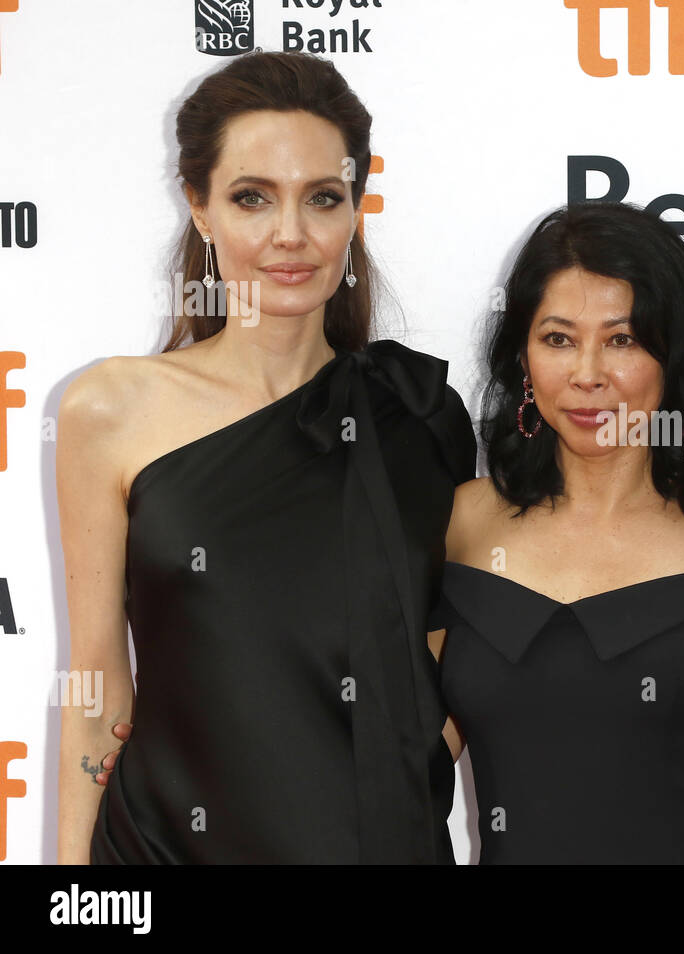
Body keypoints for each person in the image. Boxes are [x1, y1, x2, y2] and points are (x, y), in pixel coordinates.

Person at [57, 51, 475, 863]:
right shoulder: (110, 410)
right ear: (200, 209)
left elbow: (442, 664)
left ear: (355, 209)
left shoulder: (417, 417)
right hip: (162, 854)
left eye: (323, 198)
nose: (291, 235)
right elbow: (96, 682)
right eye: (253, 198)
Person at [428, 201, 684, 864]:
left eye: (622, 339)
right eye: (558, 338)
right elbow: (405, 765)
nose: (587, 374)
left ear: (673, 355)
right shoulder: (461, 525)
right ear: (523, 358)